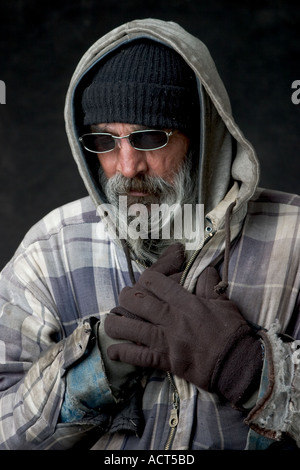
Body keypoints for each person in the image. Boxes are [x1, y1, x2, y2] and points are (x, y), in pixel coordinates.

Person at [0, 18, 299, 451]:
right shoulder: (54, 248)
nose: (126, 168)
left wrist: (250, 371)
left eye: (150, 138)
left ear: (201, 136)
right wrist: (94, 368)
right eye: (104, 141)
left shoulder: (292, 242)